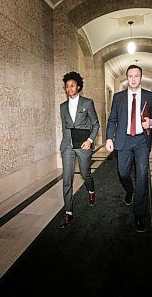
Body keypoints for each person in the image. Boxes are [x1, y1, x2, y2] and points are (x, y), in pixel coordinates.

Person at [105, 64, 152, 233]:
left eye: (137, 76)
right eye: (130, 76)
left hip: (142, 141)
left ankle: (139, 214)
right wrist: (109, 137)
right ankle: (129, 190)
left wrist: (151, 122)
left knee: (142, 176)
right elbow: (112, 119)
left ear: (141, 77)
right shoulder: (118, 97)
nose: (134, 79)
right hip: (124, 141)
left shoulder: (149, 96)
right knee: (123, 173)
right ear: (127, 77)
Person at [59, 71, 100, 229]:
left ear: (79, 87)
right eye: (67, 86)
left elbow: (95, 124)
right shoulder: (62, 106)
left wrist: (90, 141)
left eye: (72, 85)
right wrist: (64, 143)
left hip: (83, 146)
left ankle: (91, 189)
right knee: (67, 179)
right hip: (68, 147)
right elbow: (64, 126)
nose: (69, 88)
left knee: (85, 174)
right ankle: (68, 212)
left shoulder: (87, 103)